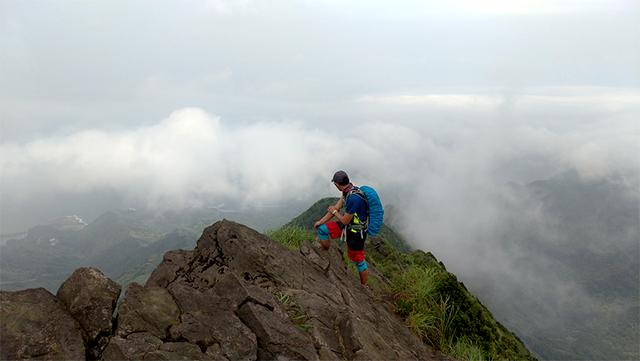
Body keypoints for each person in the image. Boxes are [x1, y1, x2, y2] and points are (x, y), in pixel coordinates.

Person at [314, 170, 369, 286]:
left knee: (358, 260)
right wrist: (320, 222)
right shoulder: (347, 191)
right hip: (348, 226)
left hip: (357, 233)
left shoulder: (354, 198)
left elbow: (343, 219)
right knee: (322, 229)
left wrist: (334, 211)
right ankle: (325, 250)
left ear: (337, 184)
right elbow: (336, 208)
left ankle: (364, 287)